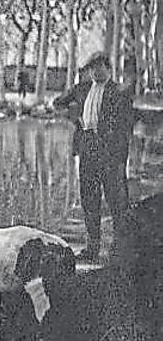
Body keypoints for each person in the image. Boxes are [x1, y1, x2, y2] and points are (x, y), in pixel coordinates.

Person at [52, 52, 136, 261]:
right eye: (92, 68)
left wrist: (119, 159)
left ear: (108, 68)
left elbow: (126, 128)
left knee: (116, 202)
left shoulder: (119, 92)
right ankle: (92, 247)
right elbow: (58, 102)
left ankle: (120, 249)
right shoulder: (82, 89)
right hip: (87, 148)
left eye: (99, 67)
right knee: (89, 200)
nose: (95, 72)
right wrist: (73, 116)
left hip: (110, 153)